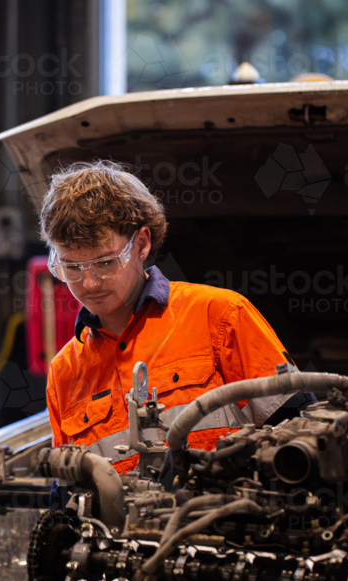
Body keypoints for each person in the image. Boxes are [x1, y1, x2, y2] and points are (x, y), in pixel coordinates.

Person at [42, 160, 309, 474]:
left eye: (104, 263)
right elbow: (69, 492)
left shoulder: (220, 316)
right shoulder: (64, 374)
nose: (88, 283)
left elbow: (305, 439)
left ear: (141, 243)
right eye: (72, 267)